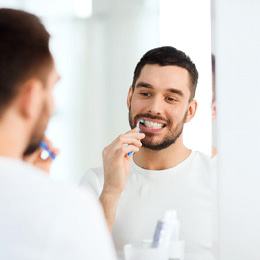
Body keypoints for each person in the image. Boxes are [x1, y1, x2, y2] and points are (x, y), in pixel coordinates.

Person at [0, 8, 116, 260]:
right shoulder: (67, 210)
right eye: (51, 87)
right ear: (30, 98)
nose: (52, 104)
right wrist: (35, 188)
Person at [81, 46, 217, 260]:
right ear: (129, 97)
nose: (154, 108)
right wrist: (111, 192)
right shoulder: (97, 182)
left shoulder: (218, 180)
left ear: (190, 111)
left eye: (171, 98)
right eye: (145, 93)